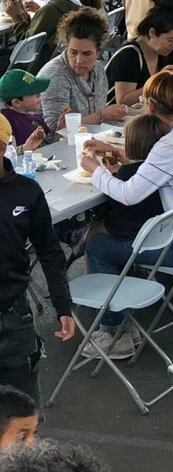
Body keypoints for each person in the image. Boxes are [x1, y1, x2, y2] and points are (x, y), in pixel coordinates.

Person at [80, 71, 173, 355]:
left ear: (148, 106)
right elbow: (160, 169)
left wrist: (94, 170)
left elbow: (128, 194)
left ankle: (114, 332)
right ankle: (123, 315)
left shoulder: (170, 145)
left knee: (98, 245)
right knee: (125, 233)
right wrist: (115, 152)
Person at [0, 113, 73, 403]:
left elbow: (49, 250)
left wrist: (62, 305)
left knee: (23, 412)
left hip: (13, 315)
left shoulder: (26, 191)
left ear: (2, 147)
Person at [38, 9, 127, 129]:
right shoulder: (54, 75)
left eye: (87, 54)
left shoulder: (98, 70)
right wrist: (101, 116)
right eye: (73, 52)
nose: (79, 60)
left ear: (98, 52)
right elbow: (56, 127)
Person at [92, 114, 168, 251]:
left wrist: (96, 169)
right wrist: (118, 170)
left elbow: (115, 198)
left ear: (131, 144)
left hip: (132, 232)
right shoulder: (160, 168)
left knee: (92, 235)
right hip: (160, 231)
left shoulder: (127, 172)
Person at [106, 0, 173, 105]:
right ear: (152, 33)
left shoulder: (165, 49)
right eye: (171, 39)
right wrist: (157, 81)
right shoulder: (129, 55)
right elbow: (122, 101)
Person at [4, 0, 81, 71]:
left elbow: (26, 48)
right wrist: (30, 14)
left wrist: (16, 17)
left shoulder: (50, 10)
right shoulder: (71, 1)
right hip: (59, 63)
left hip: (35, 67)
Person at [0, 70, 50, 151]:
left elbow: (50, 143)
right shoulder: (6, 121)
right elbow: (6, 154)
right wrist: (24, 148)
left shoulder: (37, 117)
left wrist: (61, 127)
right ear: (17, 102)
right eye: (33, 93)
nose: (39, 95)